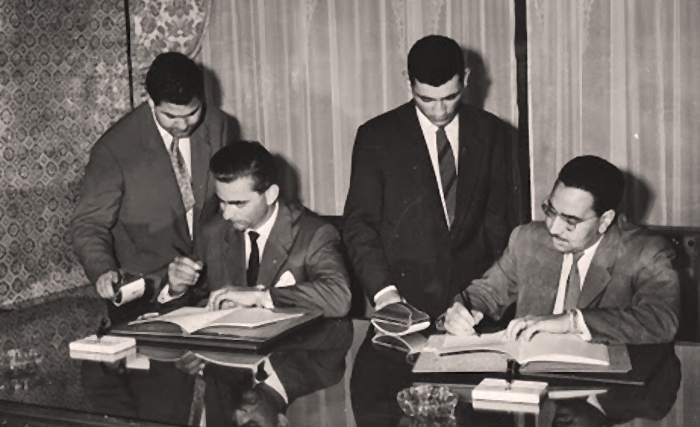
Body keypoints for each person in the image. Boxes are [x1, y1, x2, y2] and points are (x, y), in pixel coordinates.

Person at [342, 34, 511, 318]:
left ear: (466, 78)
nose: (440, 110)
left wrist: (489, 296)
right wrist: (385, 294)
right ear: (408, 83)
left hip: (475, 302)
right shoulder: (376, 137)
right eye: (426, 99)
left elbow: (500, 224)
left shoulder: (493, 132)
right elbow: (359, 226)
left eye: (450, 97)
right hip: (405, 302)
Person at [71, 52, 237, 324]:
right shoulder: (115, 149)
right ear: (150, 101)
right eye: (170, 116)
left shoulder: (218, 125)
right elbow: (89, 223)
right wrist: (103, 270)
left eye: (192, 113)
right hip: (146, 295)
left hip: (210, 289)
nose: (183, 125)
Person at [443, 155, 681, 345]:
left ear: (605, 220)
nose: (553, 228)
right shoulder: (527, 239)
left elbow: (661, 321)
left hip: (603, 384)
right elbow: (486, 294)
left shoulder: (645, 253)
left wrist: (571, 322)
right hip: (531, 379)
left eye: (570, 221)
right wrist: (463, 311)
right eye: (550, 211)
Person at [174, 140, 351, 318]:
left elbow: (339, 298)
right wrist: (177, 290)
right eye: (222, 201)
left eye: (239, 203)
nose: (227, 214)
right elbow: (197, 301)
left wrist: (262, 296)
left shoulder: (314, 234)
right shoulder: (213, 232)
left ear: (270, 195)